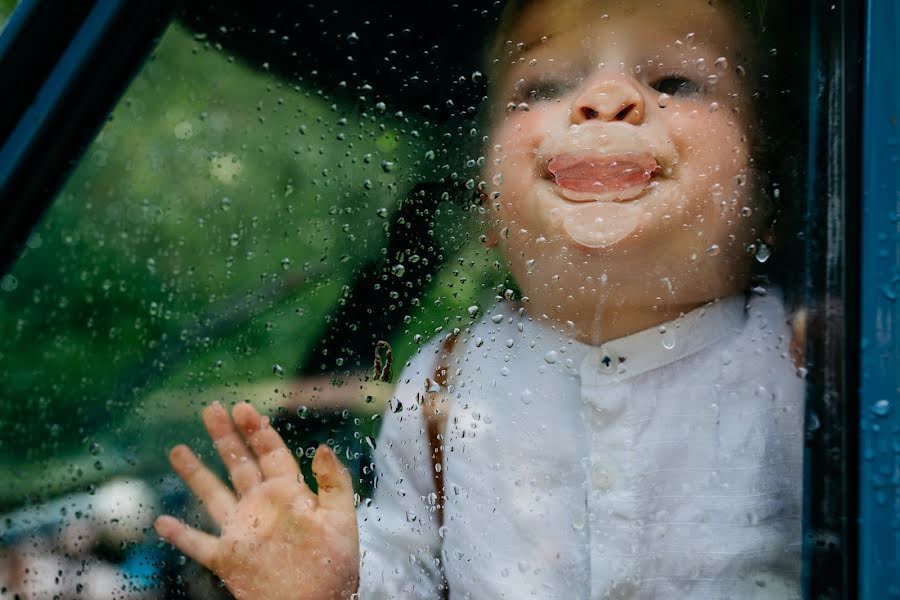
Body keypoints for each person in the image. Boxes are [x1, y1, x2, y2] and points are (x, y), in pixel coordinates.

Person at [154, 0, 806, 597]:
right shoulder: (448, 379)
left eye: (673, 82)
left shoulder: (807, 365)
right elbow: (406, 566)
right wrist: (335, 580)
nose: (605, 98)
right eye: (544, 87)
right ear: (490, 206)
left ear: (769, 196)